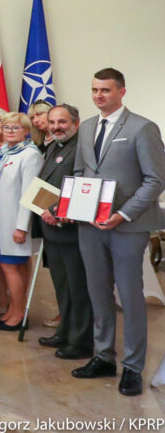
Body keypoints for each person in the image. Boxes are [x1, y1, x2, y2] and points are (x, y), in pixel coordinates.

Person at [71, 68, 165, 396]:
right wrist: (74, 207)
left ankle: (133, 368)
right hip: (90, 226)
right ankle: (103, 356)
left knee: (130, 297)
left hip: (127, 227)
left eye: (106, 90)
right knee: (98, 293)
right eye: (95, 89)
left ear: (122, 92)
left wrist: (123, 214)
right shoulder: (86, 128)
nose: (99, 96)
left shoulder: (143, 128)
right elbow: (81, 172)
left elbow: (156, 180)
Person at [34, 104, 93, 360]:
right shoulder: (53, 147)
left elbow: (84, 184)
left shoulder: (83, 147)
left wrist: (58, 209)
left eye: (63, 122)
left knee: (78, 288)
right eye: (53, 122)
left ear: (76, 123)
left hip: (71, 229)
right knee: (62, 286)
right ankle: (65, 332)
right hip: (51, 229)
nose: (57, 127)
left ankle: (80, 342)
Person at [0, 111, 42, 330]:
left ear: (26, 131)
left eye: (15, 128)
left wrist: (21, 227)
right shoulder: (6, 150)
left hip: (14, 221)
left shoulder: (30, 154)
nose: (10, 131)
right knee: (8, 266)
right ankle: (11, 308)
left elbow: (30, 194)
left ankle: (19, 313)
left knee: (11, 266)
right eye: (6, 127)